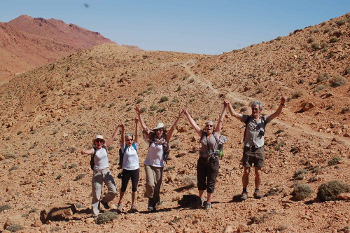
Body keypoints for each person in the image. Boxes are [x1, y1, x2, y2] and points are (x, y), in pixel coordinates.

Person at [226, 97, 286, 200]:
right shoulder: (247, 119)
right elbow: (234, 114)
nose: (254, 111)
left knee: (258, 172)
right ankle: (244, 191)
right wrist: (228, 105)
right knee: (246, 171)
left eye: (256, 109)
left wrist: (282, 104)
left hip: (259, 149)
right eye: (253, 108)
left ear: (260, 110)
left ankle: (257, 190)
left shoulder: (264, 119)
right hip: (248, 148)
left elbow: (276, 114)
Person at [135, 105, 183, 212]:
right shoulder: (152, 137)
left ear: (163, 130)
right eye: (157, 130)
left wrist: (179, 117)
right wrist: (139, 114)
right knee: (150, 184)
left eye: (160, 130)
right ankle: (150, 201)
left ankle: (154, 203)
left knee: (157, 187)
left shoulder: (166, 139)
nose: (158, 132)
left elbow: (173, 128)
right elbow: (143, 126)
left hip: (159, 166)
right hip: (149, 164)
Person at [183, 102, 227, 209]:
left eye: (211, 126)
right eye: (207, 125)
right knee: (201, 180)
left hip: (213, 161)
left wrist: (225, 107)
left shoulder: (216, 134)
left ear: (213, 127)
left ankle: (208, 201)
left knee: (211, 181)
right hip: (202, 161)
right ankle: (201, 199)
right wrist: (187, 114)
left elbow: (221, 120)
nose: (209, 127)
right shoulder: (202, 134)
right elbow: (194, 125)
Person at [80, 126, 120, 217]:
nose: (99, 142)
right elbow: (88, 151)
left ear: (103, 142)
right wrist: (84, 151)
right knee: (96, 194)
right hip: (97, 173)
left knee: (113, 191)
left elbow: (113, 138)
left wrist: (117, 128)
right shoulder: (94, 150)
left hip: (106, 172)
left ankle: (105, 201)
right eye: (97, 141)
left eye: (100, 141)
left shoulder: (105, 148)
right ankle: (95, 214)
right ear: (95, 142)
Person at [117, 118, 140, 213]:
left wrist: (136, 124)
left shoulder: (135, 146)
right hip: (126, 169)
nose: (129, 141)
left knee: (134, 188)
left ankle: (133, 205)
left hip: (135, 169)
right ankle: (120, 202)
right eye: (128, 140)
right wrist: (123, 129)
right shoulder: (124, 148)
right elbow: (121, 140)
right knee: (123, 187)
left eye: (131, 140)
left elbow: (137, 135)